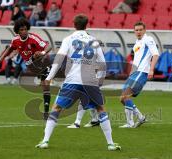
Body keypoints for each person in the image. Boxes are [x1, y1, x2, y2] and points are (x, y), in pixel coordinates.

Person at [35, 14, 121, 151]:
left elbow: (58, 60)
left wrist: (48, 78)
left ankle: (45, 141)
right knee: (101, 109)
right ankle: (110, 143)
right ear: (87, 24)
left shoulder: (68, 39)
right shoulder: (94, 41)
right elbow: (103, 63)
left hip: (72, 80)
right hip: (90, 81)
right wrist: (100, 80)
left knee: (56, 108)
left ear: (74, 24)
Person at [0, 18, 52, 118]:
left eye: (25, 29)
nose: (24, 31)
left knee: (45, 85)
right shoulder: (15, 40)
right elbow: (10, 48)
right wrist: (1, 58)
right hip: (30, 64)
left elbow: (49, 46)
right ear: (17, 31)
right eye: (21, 30)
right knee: (42, 80)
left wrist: (42, 52)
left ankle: (46, 112)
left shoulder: (34, 38)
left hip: (42, 62)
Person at [119, 21, 159, 128]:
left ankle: (130, 123)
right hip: (135, 72)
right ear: (134, 31)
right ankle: (140, 117)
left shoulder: (148, 39)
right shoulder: (137, 43)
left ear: (144, 30)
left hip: (142, 72)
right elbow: (137, 59)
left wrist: (151, 70)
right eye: (136, 30)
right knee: (122, 99)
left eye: (141, 29)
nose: (138, 32)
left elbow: (155, 54)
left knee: (125, 96)